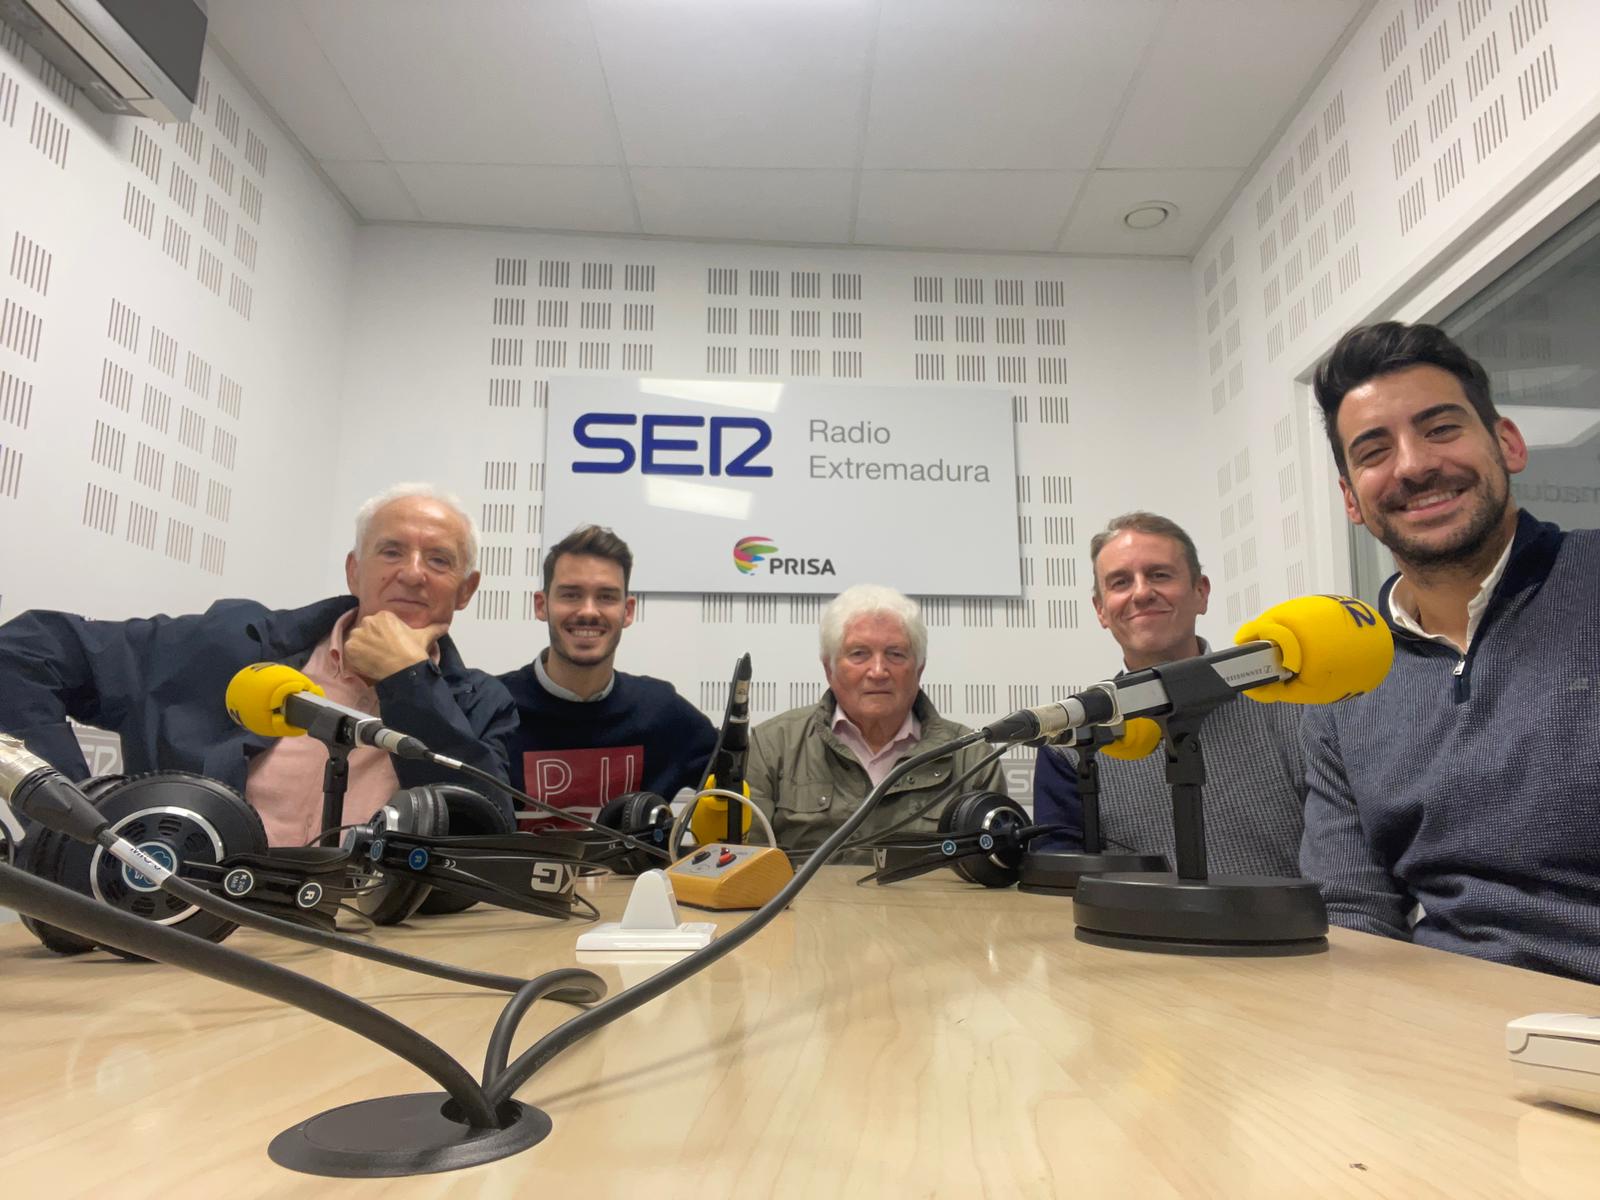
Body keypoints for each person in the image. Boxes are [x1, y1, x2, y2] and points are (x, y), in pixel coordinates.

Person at [1301, 320, 1599, 983]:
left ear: (1508, 443)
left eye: (1440, 429)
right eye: (1374, 451)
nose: (1413, 465)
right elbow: (1354, 914)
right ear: (1351, 498)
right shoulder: (1343, 686)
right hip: (1445, 1032)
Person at [0, 483, 517, 845]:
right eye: (391, 551)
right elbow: (22, 652)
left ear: (466, 590)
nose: (412, 574)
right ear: (354, 571)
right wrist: (69, 814)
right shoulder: (226, 645)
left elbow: (489, 837)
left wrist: (409, 683)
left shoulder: (481, 704)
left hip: (371, 947)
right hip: (193, 927)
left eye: (440, 561)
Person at [1031, 513, 1307, 876]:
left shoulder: (1290, 705)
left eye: (1160, 574)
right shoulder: (1070, 741)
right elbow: (1059, 892)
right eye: (1120, 582)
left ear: (1201, 591)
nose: (1142, 593)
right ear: (1100, 610)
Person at [747, 584, 1005, 853]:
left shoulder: (971, 757)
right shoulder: (773, 747)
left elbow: (991, 872)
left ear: (919, 668)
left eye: (895, 654)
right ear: (829, 669)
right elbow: (746, 869)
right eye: (859, 654)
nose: (879, 671)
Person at [497, 525, 716, 829]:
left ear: (627, 611)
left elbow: (736, 778)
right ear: (541, 605)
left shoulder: (662, 711)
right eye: (571, 595)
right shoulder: (491, 707)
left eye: (606, 597)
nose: (588, 611)